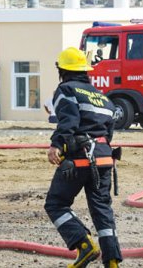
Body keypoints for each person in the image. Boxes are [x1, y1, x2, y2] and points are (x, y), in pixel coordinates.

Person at [44, 47, 122, 268]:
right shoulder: (103, 98)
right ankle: (113, 261)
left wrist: (56, 145)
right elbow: (108, 134)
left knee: (56, 204)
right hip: (105, 160)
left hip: (80, 159)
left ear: (62, 70)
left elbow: (68, 121)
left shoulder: (66, 89)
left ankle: (84, 244)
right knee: (102, 210)